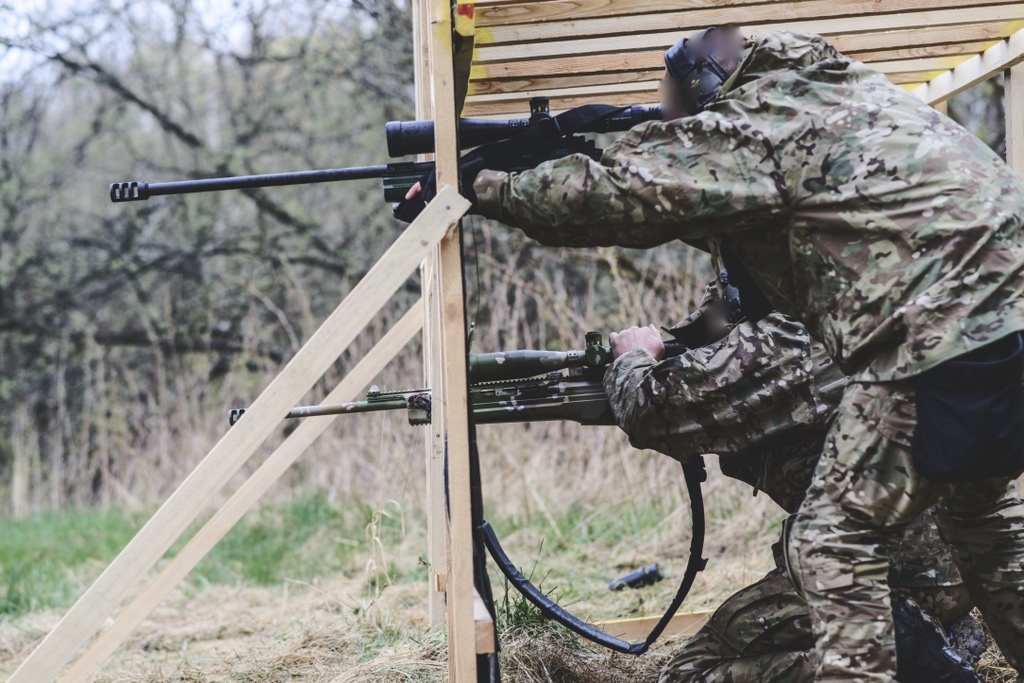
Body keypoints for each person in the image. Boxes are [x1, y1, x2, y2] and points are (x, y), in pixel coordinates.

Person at [469, 26, 1024, 680]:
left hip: (937, 341)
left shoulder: (759, 125)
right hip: (1004, 329)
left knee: (831, 546)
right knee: (986, 527)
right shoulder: (844, 99)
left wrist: (480, 185)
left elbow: (627, 199)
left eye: (683, 118)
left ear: (710, 92)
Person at [606, 281, 982, 682]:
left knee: (691, 673)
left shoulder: (786, 336)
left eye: (716, 331)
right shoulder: (860, 311)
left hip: (886, 570)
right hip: (958, 564)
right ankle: (935, 639)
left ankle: (903, 667)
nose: (716, 349)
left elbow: (651, 411)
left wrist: (633, 358)